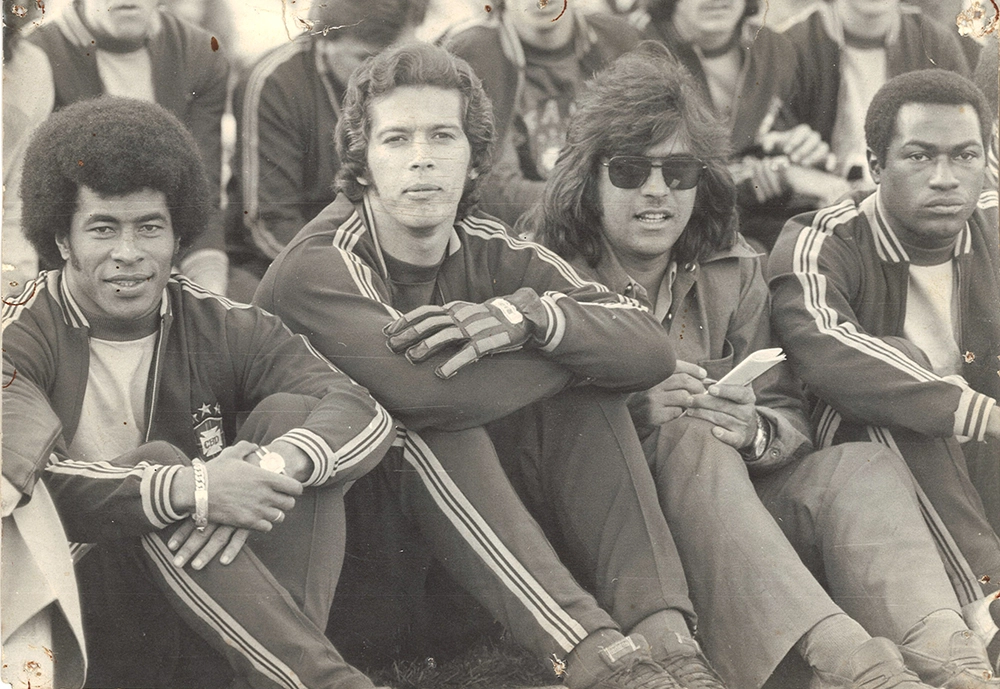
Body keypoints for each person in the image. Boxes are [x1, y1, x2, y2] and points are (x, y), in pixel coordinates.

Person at [525, 42, 999, 689]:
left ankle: (951, 651)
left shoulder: (732, 268)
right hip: (625, 550)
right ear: (590, 176)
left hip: (746, 524)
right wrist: (631, 415)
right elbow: (533, 437)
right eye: (632, 170)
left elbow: (788, 415)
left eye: (680, 172)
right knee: (687, 432)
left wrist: (753, 427)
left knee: (861, 464)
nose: (658, 192)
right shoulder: (548, 271)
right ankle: (851, 663)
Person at [257, 41, 726, 689]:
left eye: (442, 135)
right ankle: (598, 660)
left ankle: (668, 644)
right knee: (428, 419)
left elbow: (648, 346)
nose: (421, 157)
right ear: (361, 162)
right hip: (352, 580)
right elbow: (424, 392)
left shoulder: (490, 246)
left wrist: (529, 319)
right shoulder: (317, 263)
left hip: (468, 567)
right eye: (396, 138)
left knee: (583, 389)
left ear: (476, 156)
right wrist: (568, 356)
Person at [3, 97, 397, 689]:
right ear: (61, 238)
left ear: (179, 233)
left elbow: (361, 410)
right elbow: (29, 487)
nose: (128, 253)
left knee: (294, 418)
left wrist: (265, 466)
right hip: (74, 615)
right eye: (103, 229)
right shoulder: (18, 334)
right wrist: (194, 487)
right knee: (159, 464)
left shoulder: (216, 321)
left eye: (150, 228)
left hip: (206, 607)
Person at [769, 68, 1000, 665]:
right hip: (872, 467)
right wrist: (976, 411)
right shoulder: (821, 238)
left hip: (982, 454)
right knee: (896, 365)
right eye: (919, 156)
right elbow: (825, 351)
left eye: (965, 156)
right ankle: (988, 602)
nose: (946, 178)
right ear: (875, 166)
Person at [225, 0, 428, 302]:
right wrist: (359, 277)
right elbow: (269, 222)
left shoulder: (419, 76)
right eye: (366, 57)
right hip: (281, 261)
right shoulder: (275, 82)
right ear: (324, 38)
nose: (387, 76)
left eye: (399, 56)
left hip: (384, 263)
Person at [27, 0, 230, 295]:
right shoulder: (37, 55)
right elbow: (37, 215)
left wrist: (209, 292)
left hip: (165, 256)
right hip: (77, 268)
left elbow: (201, 195)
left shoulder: (199, 53)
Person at [640, 0, 851, 251]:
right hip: (679, 229)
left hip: (759, 216)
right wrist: (781, 174)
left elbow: (798, 159)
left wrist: (800, 148)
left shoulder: (776, 48)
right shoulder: (639, 49)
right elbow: (670, 176)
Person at [446, 0, 640, 225]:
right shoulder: (474, 53)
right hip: (526, 238)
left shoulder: (617, 38)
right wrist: (602, 200)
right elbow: (495, 193)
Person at [781, 0, 971, 187]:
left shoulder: (935, 44)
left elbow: (966, 144)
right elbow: (763, 159)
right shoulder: (789, 47)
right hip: (824, 206)